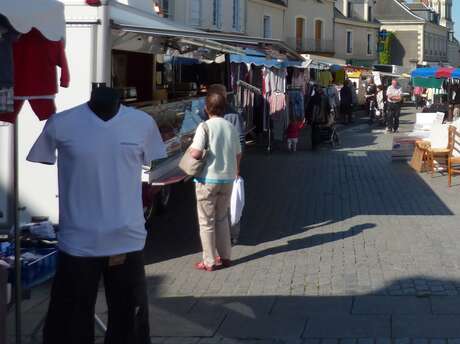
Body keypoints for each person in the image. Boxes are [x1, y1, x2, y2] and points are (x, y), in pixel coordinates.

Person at [27, 87, 167, 344]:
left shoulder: (142, 123)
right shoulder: (61, 124)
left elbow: (151, 160)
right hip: (78, 241)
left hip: (127, 239)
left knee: (129, 322)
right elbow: (42, 157)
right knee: (70, 323)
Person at [190, 91, 242, 271]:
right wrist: (236, 171)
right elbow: (238, 153)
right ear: (224, 108)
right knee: (221, 218)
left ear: (206, 108)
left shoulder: (204, 127)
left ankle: (209, 261)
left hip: (207, 179)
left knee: (206, 221)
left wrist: (190, 152)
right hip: (227, 178)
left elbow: (196, 153)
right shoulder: (230, 127)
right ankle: (226, 256)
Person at [207, 84, 245, 245]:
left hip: (220, 169)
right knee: (224, 206)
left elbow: (240, 143)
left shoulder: (232, 114)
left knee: (228, 205)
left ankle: (231, 236)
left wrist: (237, 168)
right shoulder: (211, 114)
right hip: (221, 169)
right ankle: (226, 238)